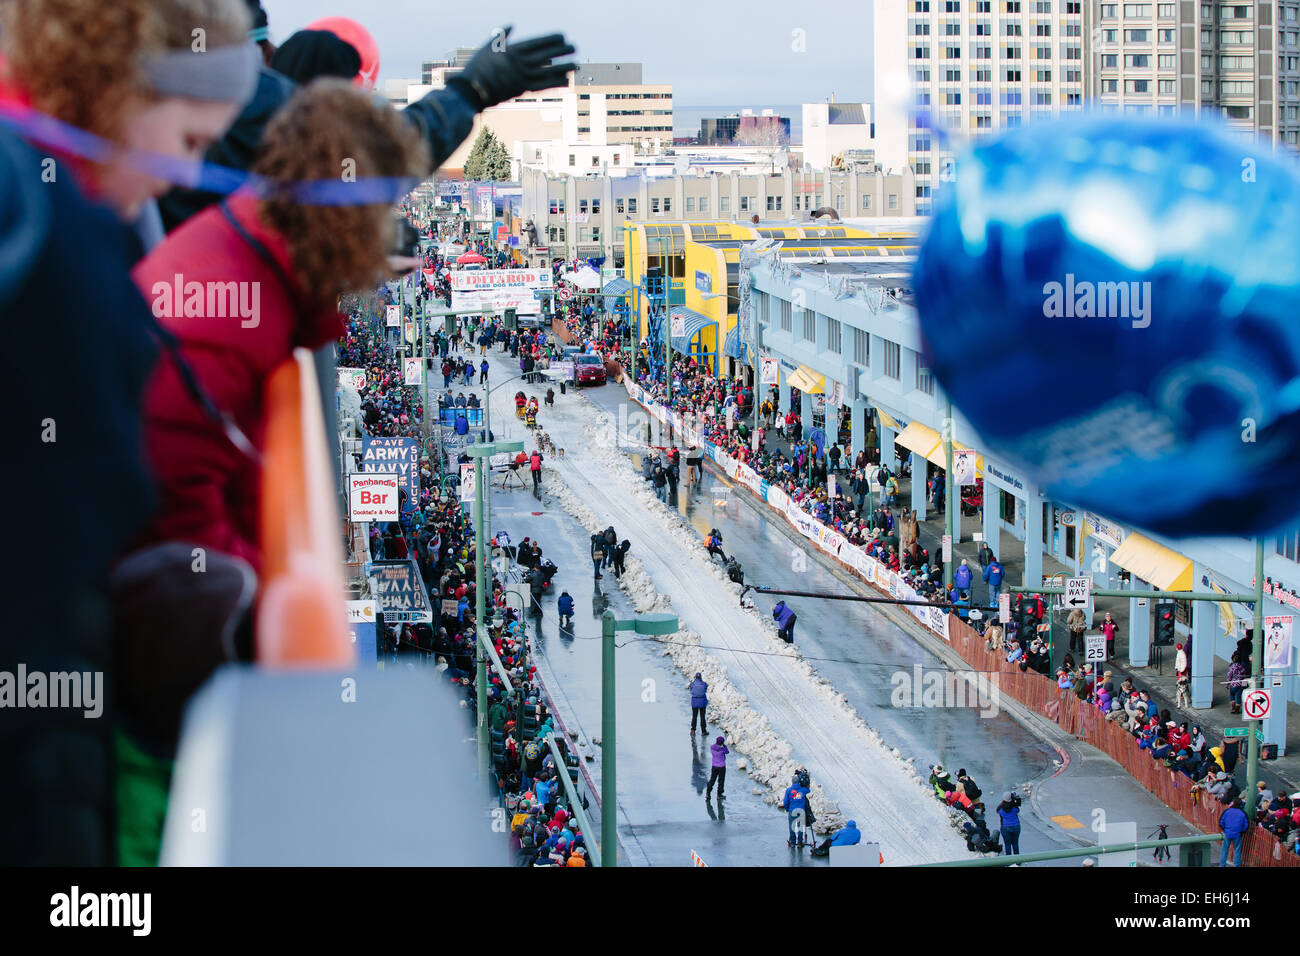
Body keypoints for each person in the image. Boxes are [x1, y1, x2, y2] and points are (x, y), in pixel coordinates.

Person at [1, 0, 259, 867]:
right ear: (118, 84)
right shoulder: (59, 243)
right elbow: (81, 522)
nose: (178, 178)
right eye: (188, 142)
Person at [782, 769, 813, 847]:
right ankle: (799, 842)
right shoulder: (803, 790)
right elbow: (808, 789)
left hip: (792, 811)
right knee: (800, 827)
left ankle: (792, 843)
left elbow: (785, 802)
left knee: (792, 827)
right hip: (801, 811)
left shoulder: (789, 790)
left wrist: (787, 809)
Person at [1218, 799, 1249, 867]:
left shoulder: (1227, 811)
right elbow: (1246, 825)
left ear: (1233, 803)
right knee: (1237, 851)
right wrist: (1242, 832)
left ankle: (1222, 865)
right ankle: (1237, 864)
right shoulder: (1242, 813)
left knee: (1224, 850)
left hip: (1227, 833)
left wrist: (1225, 829)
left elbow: (1221, 822)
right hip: (1237, 834)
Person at [997, 791, 1022, 856]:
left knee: (1007, 844)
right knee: (1015, 843)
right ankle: (1017, 860)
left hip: (1005, 827)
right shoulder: (1014, 807)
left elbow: (997, 810)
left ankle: (1009, 861)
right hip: (1016, 826)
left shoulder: (1000, 809)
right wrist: (1016, 799)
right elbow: (1018, 809)